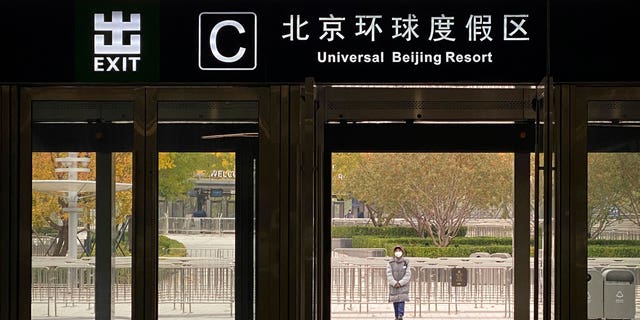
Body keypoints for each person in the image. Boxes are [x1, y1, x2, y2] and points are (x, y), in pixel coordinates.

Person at [387, 245, 411, 320]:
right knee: (395, 301)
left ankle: (400, 315)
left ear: (402, 252)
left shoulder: (406, 262)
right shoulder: (390, 263)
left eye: (399, 251)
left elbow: (408, 274)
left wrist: (401, 283)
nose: (398, 252)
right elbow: (389, 274)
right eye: (396, 251)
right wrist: (394, 283)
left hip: (403, 286)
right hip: (394, 285)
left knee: (401, 300)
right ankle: (396, 316)